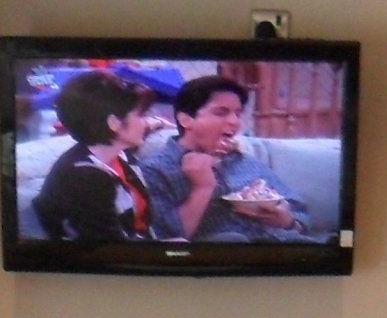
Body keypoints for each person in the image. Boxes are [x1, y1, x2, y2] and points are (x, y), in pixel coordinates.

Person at [138, 74, 309, 241]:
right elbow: (166, 237)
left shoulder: (240, 159)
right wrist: (202, 188)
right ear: (186, 120)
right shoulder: (155, 170)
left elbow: (299, 209)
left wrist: (289, 222)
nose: (235, 122)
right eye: (221, 112)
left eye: (238, 114)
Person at [30, 71, 154, 244]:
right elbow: (111, 249)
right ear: (114, 123)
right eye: (140, 115)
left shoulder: (114, 152)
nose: (146, 122)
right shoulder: (85, 178)